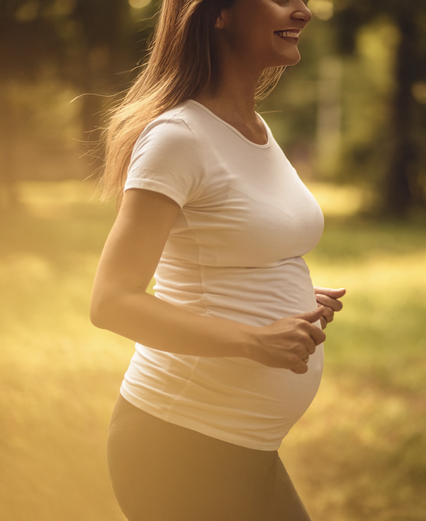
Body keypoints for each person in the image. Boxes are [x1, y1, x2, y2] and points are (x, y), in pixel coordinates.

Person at [89, 1, 345, 519]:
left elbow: (228, 245)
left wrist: (288, 296)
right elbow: (111, 302)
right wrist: (256, 339)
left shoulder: (253, 128)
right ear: (220, 12)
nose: (303, 11)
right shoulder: (178, 138)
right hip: (181, 442)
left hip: (243, 444)